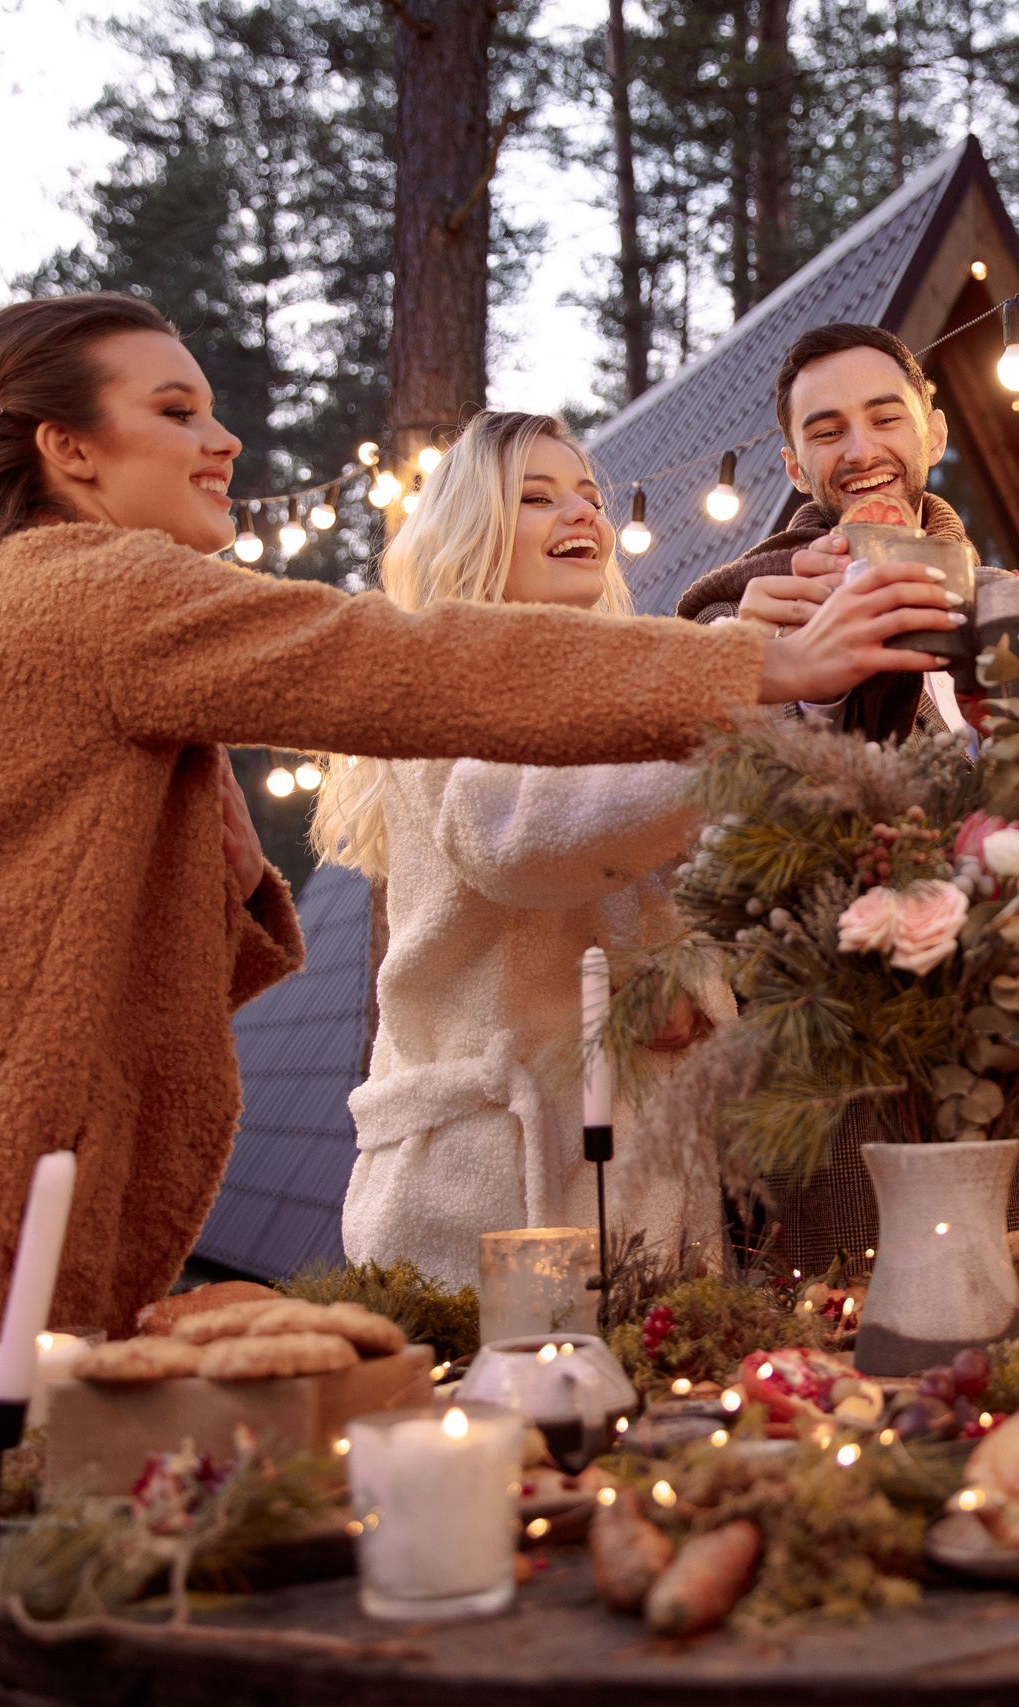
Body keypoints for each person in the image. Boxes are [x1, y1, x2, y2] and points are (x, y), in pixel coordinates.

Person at [0, 293, 955, 1705]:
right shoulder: (87, 589)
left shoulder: (45, 603)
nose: (225, 439)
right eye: (175, 411)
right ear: (68, 453)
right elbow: (396, 658)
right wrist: (760, 664)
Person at [315, 412, 737, 1288]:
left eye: (588, 495)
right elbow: (516, 837)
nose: (581, 514)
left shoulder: (614, 697)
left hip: (640, 1163)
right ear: (473, 531)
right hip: (491, 1177)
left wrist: (678, 988)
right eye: (537, 497)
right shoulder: (438, 679)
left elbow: (652, 899)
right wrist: (741, 709)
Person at [673, 322, 975, 742]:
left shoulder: (1002, 603)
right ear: (795, 468)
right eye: (828, 433)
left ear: (934, 438)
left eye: (885, 419)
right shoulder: (736, 622)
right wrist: (776, 672)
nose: (862, 453)